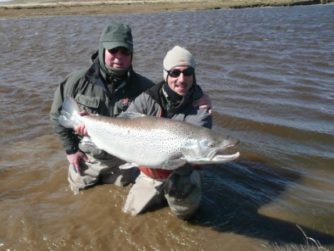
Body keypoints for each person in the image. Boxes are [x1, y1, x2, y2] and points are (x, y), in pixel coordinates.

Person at [49, 23, 154, 194]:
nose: (119, 57)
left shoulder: (146, 88)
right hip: (87, 159)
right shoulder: (75, 82)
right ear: (102, 49)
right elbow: (56, 115)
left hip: (124, 161)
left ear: (132, 54)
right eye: (113, 51)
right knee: (78, 197)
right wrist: (71, 150)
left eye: (125, 52)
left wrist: (194, 96)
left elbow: (165, 117)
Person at [121, 45, 213, 219]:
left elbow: (191, 150)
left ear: (193, 75)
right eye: (175, 73)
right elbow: (122, 122)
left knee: (186, 217)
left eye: (187, 72)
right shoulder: (147, 98)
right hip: (151, 172)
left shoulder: (201, 105)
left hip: (183, 172)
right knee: (129, 214)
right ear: (166, 75)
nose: (181, 79)